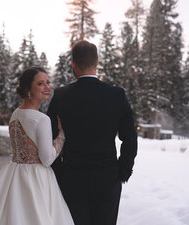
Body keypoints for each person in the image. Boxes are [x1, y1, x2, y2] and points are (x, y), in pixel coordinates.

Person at [47, 40, 138, 225]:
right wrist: (122, 171)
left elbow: (51, 136)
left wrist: (59, 173)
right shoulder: (117, 95)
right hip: (107, 178)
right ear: (97, 62)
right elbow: (130, 138)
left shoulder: (61, 95)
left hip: (72, 178)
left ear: (73, 63)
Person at [0, 67, 74, 225]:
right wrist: (62, 136)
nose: (47, 87)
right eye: (40, 84)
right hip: (36, 178)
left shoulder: (16, 114)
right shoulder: (41, 119)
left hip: (15, 173)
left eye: (48, 82)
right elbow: (47, 159)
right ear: (28, 89)